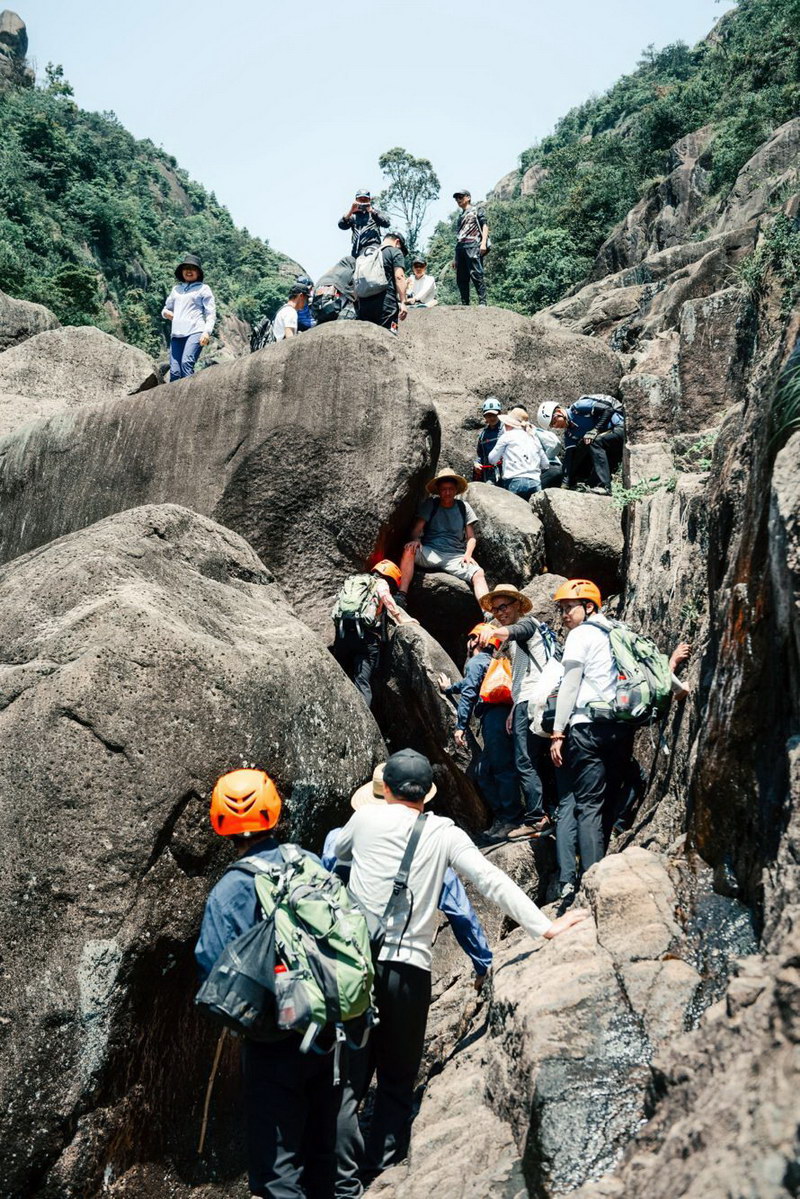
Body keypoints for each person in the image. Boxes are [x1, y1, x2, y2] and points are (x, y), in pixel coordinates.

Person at [333, 748, 587, 1183]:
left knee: (348, 1084)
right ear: (426, 795)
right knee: (396, 1081)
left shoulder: (364, 821)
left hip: (358, 968)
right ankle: (383, 1173)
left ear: (386, 789)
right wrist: (544, 927)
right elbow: (490, 880)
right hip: (410, 970)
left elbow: (337, 857)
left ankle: (342, 1181)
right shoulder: (444, 832)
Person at [195, 769, 339, 1199]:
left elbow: (210, 965)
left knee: (278, 1167)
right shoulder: (309, 863)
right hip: (326, 1024)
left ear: (221, 823)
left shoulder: (228, 890)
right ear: (274, 812)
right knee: (321, 1152)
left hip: (271, 1038)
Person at [548, 579, 689, 876]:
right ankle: (603, 872)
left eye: (568, 608)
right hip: (620, 728)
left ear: (588, 607)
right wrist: (678, 688)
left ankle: (591, 879)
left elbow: (571, 683)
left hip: (587, 728)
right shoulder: (618, 630)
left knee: (588, 806)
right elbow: (648, 662)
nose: (564, 615)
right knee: (609, 800)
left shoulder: (580, 634)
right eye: (561, 609)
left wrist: (558, 732)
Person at [476, 585, 568, 845]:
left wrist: (494, 631)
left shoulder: (527, 625)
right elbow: (524, 678)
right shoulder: (519, 640)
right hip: (529, 703)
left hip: (533, 702)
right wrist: (514, 709)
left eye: (504, 606)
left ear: (517, 605)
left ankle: (536, 819)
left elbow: (516, 630)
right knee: (538, 761)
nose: (499, 612)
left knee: (525, 762)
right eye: (495, 609)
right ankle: (548, 812)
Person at [438, 624, 519, 836]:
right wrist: (449, 688)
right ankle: (503, 817)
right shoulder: (491, 663)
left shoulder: (475, 662)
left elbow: (469, 693)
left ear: (475, 641)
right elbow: (468, 684)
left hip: (494, 718)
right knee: (484, 772)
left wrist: (460, 726)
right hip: (500, 717)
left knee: (501, 769)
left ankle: (512, 819)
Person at [332, 560, 418, 709]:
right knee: (362, 682)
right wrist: (400, 618)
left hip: (343, 635)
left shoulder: (355, 582)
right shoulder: (381, 583)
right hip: (365, 640)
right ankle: (363, 724)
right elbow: (387, 598)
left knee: (339, 676)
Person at [398, 469, 489, 607]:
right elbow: (416, 529)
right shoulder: (431, 504)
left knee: (478, 573)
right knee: (409, 550)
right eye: (444, 489)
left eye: (451, 489)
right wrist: (416, 541)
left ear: (456, 490)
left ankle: (487, 611)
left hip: (455, 556)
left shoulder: (464, 507)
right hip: (431, 552)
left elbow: (471, 537)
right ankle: (401, 595)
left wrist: (468, 554)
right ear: (439, 490)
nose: (447, 492)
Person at [536, 396, 624, 495]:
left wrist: (595, 430)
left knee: (594, 442)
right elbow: (569, 458)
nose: (556, 426)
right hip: (607, 445)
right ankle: (598, 486)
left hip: (619, 428)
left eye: (554, 421)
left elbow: (608, 409)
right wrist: (565, 484)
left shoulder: (579, 407)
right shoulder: (570, 434)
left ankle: (605, 487)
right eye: (552, 426)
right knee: (589, 481)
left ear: (559, 412)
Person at [161, 254, 216, 381]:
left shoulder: (204, 289)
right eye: (186, 268)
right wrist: (165, 313)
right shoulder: (176, 289)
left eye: (193, 268)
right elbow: (166, 308)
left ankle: (190, 399)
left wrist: (207, 332)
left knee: (186, 364)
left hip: (195, 331)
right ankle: (173, 400)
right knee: (174, 371)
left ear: (198, 272)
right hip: (176, 334)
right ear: (181, 271)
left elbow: (210, 312)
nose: (189, 271)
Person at [488, 408, 550, 500]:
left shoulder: (506, 436)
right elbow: (545, 464)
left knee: (515, 512)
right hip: (535, 482)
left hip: (514, 481)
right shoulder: (533, 438)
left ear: (509, 424)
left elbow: (492, 459)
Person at [355, 230, 409, 335]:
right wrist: (403, 302)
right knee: (389, 337)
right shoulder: (394, 251)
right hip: (386, 304)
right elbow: (399, 277)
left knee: (368, 338)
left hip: (364, 304)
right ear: (397, 242)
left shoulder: (366, 253)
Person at [452, 189, 488, 306]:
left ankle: (482, 301)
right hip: (460, 247)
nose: (458, 200)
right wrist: (455, 257)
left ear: (468, 197)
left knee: (476, 273)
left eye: (460, 197)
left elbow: (485, 226)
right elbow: (459, 236)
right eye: (457, 198)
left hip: (473, 244)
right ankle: (465, 302)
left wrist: (483, 243)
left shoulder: (476, 210)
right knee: (461, 277)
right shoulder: (460, 216)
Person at [338, 189, 391, 258]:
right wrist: (351, 211)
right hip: (357, 249)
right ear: (356, 201)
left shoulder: (374, 213)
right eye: (360, 200)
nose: (362, 202)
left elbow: (386, 223)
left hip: (372, 247)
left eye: (365, 200)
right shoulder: (353, 215)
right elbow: (342, 225)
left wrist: (372, 211)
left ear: (369, 200)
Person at [312, 256, 357, 323]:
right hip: (331, 307)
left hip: (317, 309)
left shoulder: (328, 273)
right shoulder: (348, 272)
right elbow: (353, 292)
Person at [473, 397, 503, 485]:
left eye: (494, 415)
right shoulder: (483, 435)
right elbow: (480, 455)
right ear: (484, 416)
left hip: (507, 473)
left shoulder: (506, 430)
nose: (492, 418)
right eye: (488, 415)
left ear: (500, 413)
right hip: (490, 475)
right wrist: (476, 464)